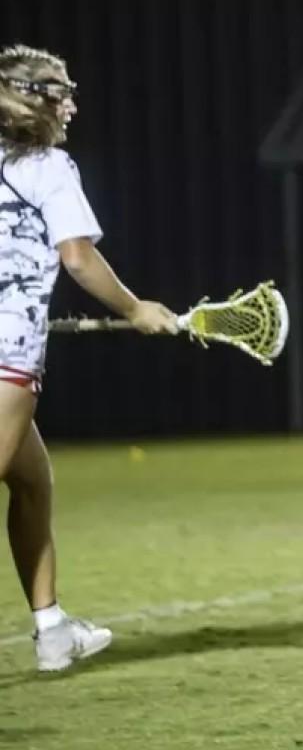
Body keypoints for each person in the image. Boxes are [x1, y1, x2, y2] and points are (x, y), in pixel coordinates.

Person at [0, 44, 178, 671]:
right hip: (5, 357)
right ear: (37, 99)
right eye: (63, 91)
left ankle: (53, 632)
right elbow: (76, 256)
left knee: (31, 480)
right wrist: (134, 308)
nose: (72, 103)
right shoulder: (47, 165)